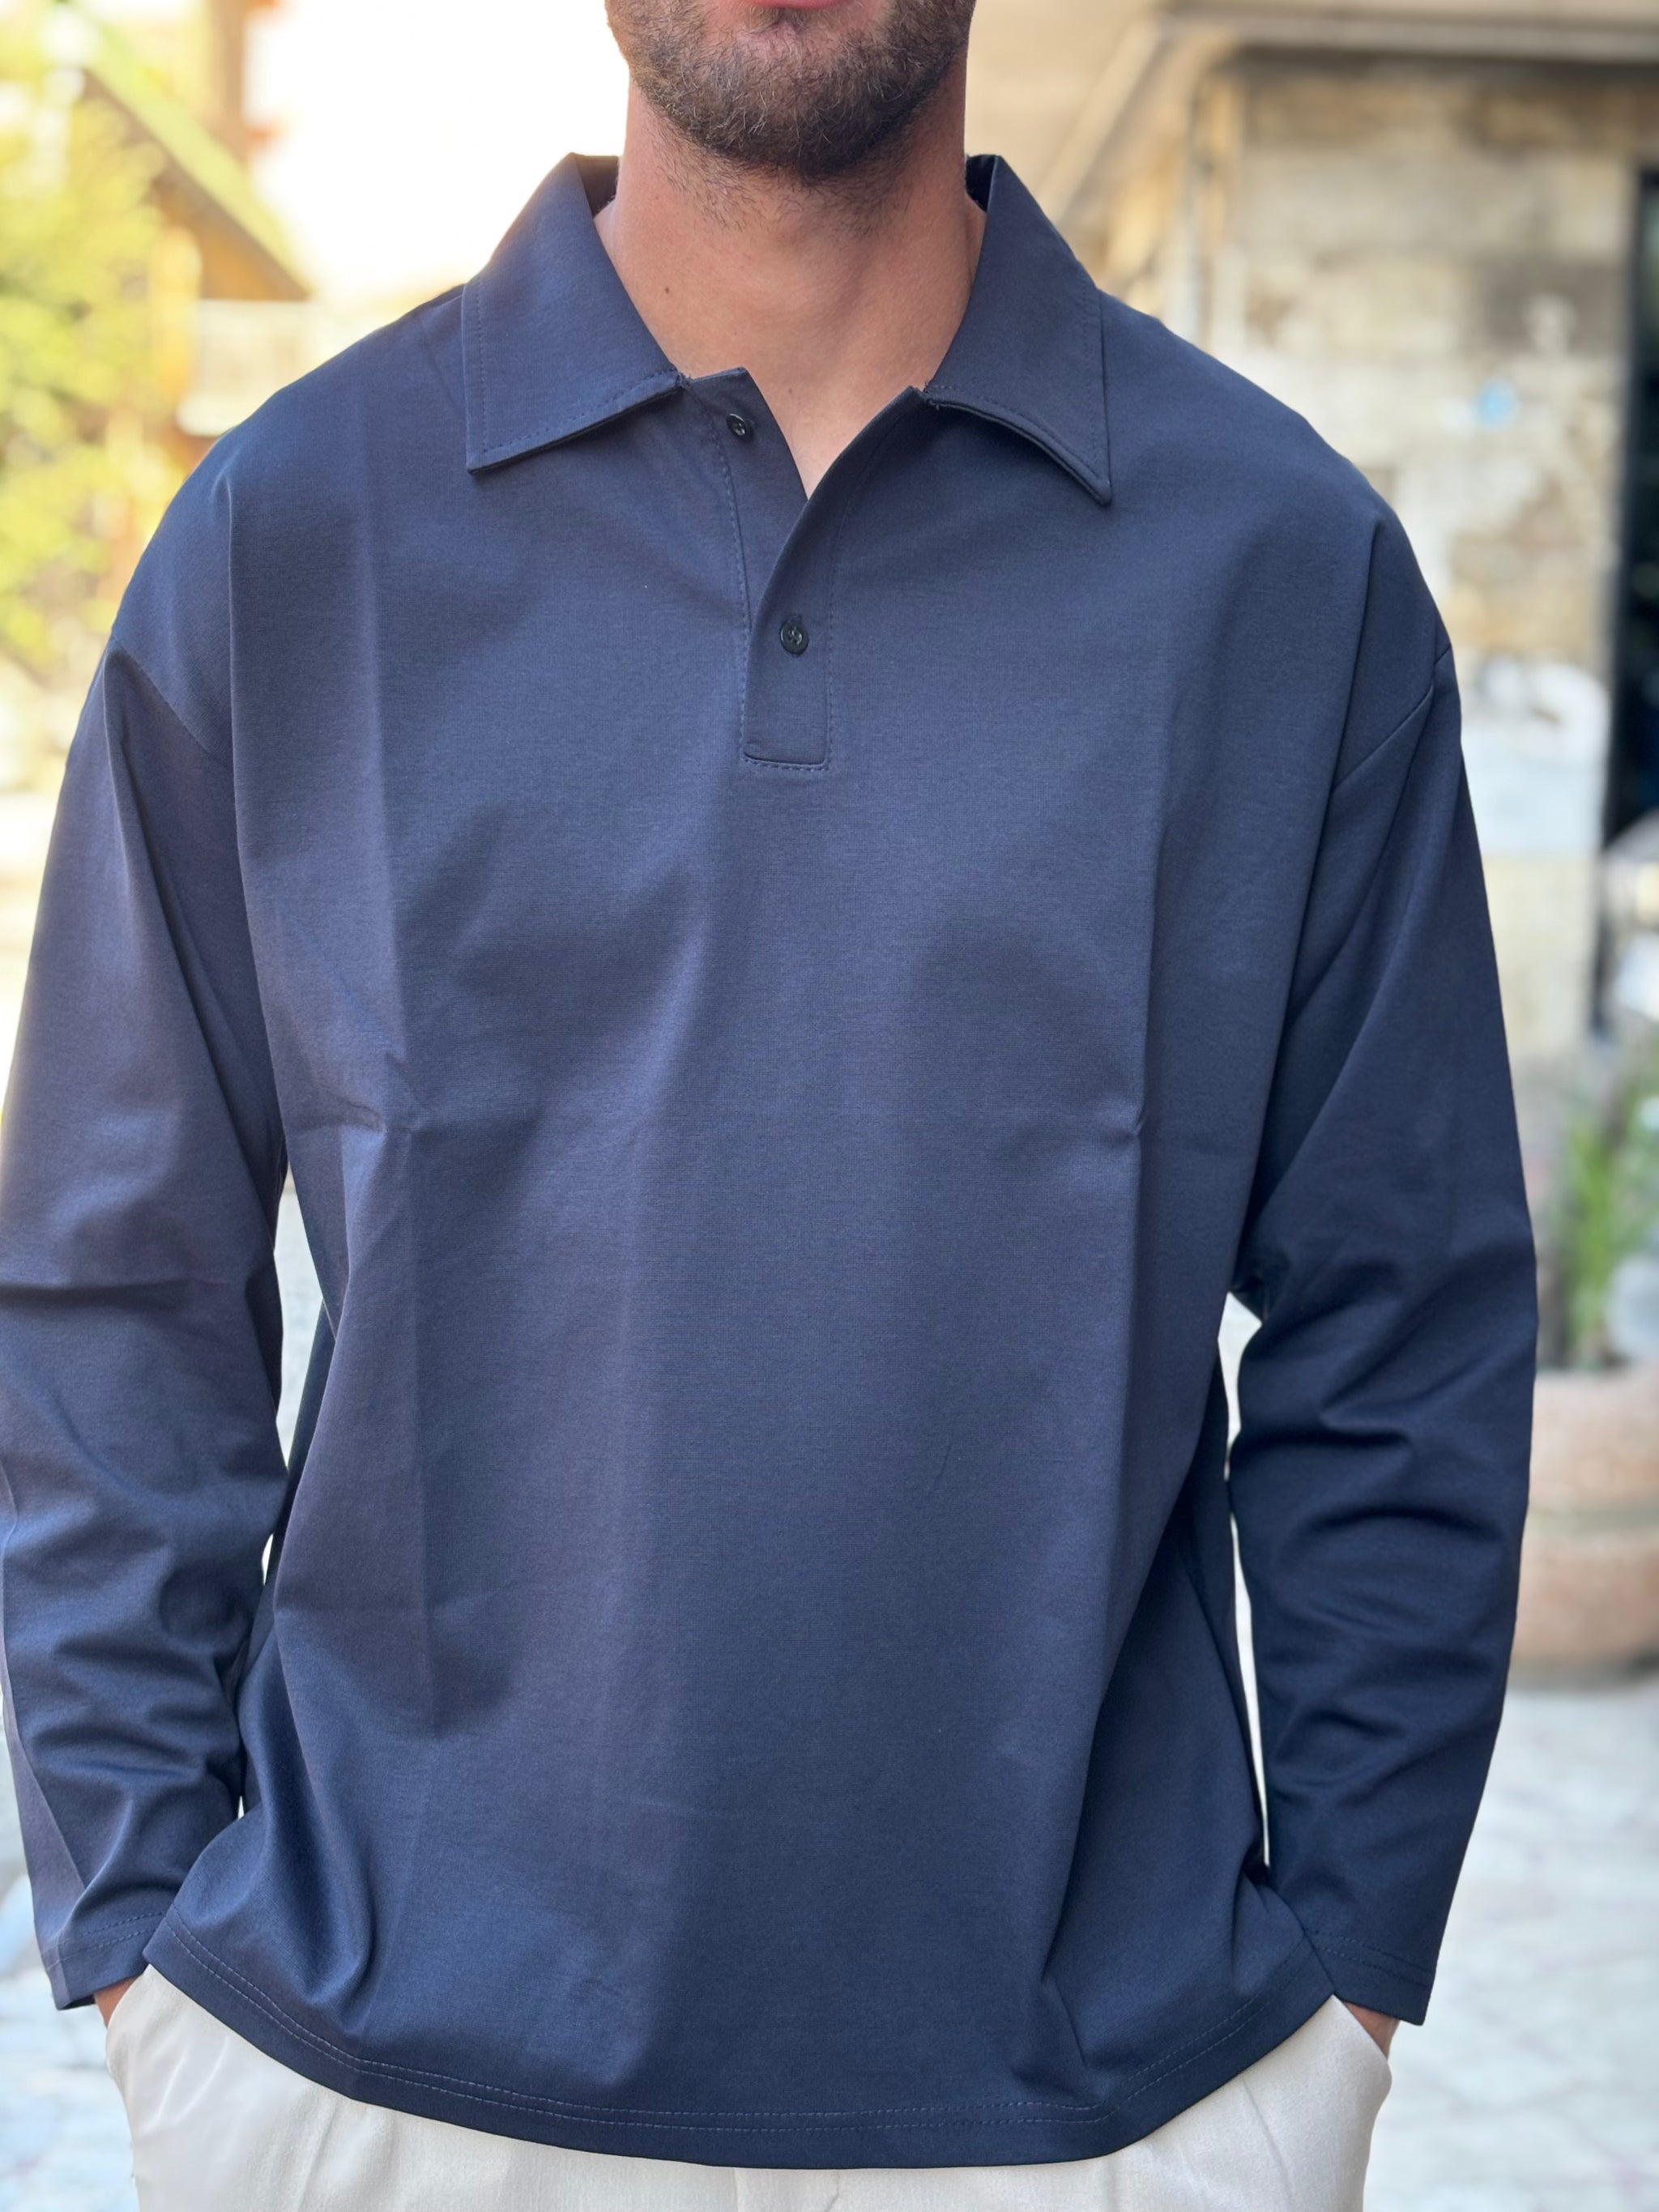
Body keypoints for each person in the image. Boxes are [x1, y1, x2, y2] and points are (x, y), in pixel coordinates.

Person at [0, 0, 1537, 2204]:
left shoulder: (1283, 571)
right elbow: (107, 1283)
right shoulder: (289, 538)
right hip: (372, 2097)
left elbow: (1406, 1321)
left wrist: (1346, 1988)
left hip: (1109, 2116)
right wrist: (145, 1938)